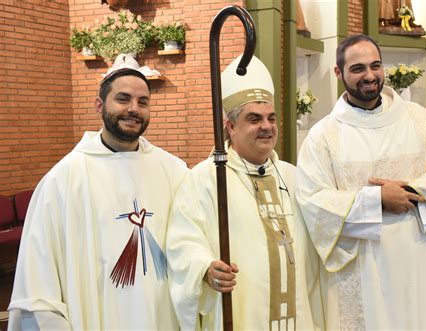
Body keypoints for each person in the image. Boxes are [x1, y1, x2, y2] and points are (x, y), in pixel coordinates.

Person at [296, 34, 426, 330]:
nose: (370, 76)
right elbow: (313, 200)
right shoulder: (323, 136)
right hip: (363, 266)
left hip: (421, 259)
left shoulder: (419, 120)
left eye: (375, 66)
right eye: (358, 68)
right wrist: (376, 200)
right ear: (339, 73)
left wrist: (410, 192)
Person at [8, 68, 188, 330]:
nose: (133, 109)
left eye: (143, 102)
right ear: (99, 105)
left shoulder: (173, 171)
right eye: (123, 99)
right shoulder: (64, 179)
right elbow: (39, 272)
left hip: (163, 315)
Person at [166, 55, 324, 330]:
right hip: (242, 316)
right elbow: (182, 242)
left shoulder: (293, 177)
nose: (266, 126)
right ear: (230, 126)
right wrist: (205, 269)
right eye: (254, 119)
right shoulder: (205, 179)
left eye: (271, 118)